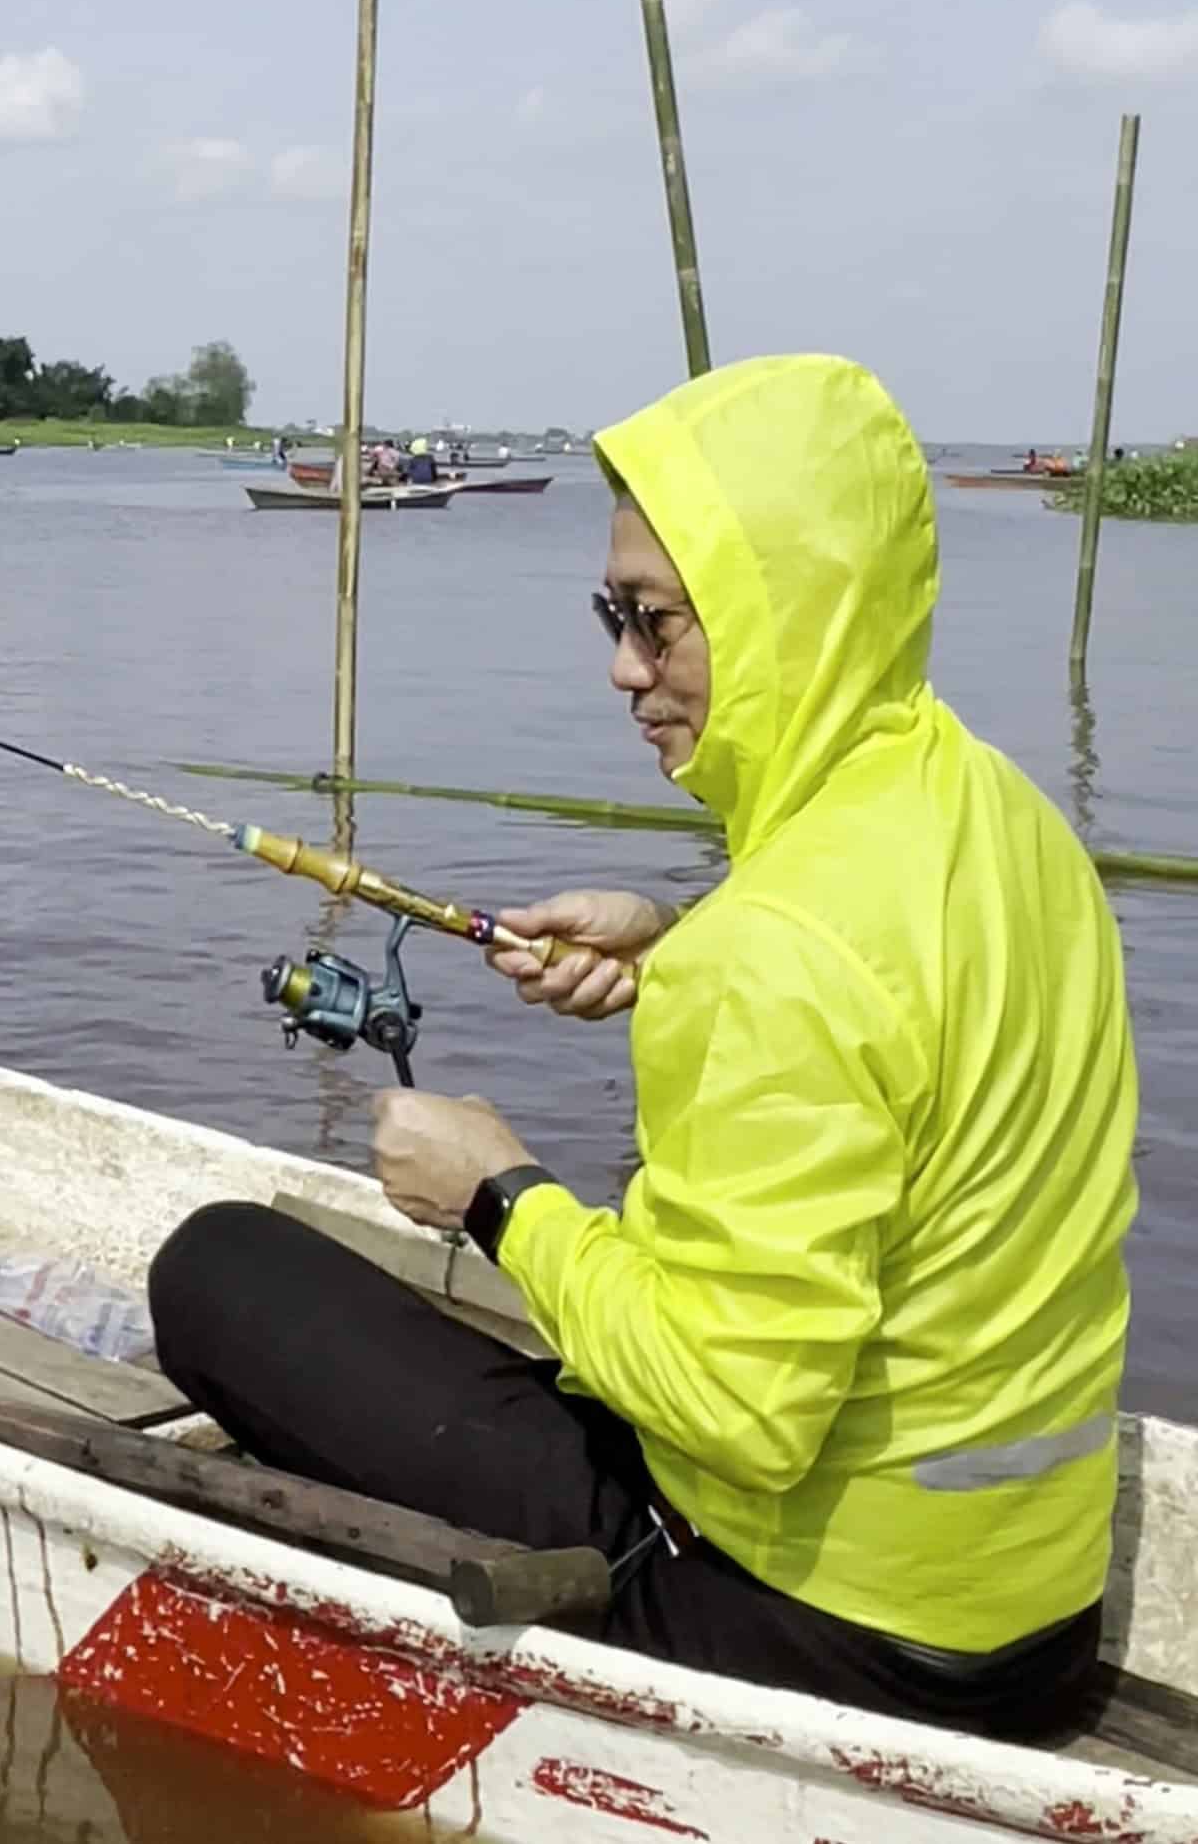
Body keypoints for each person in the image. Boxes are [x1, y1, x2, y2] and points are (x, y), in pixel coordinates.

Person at [149, 353, 1137, 1740]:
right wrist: (673, 942)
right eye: (610, 616)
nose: (622, 667)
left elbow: (737, 1413)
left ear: (787, 611)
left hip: (812, 1625)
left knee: (217, 1268)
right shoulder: (1000, 813)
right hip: (1030, 1621)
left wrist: (499, 1197)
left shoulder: (776, 954)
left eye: (655, 623)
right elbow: (908, 1016)